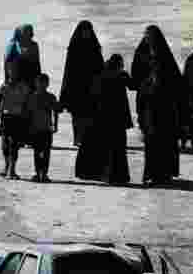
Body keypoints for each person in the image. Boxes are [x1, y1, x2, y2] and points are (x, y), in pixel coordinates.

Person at [131, 25, 183, 185]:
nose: (149, 40)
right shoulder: (142, 54)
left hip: (165, 107)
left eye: (151, 37)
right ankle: (152, 174)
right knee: (151, 141)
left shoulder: (164, 58)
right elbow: (136, 78)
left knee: (165, 141)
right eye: (147, 36)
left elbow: (176, 83)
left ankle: (164, 174)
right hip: (149, 107)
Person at [59, 20, 105, 155]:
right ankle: (77, 138)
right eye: (84, 31)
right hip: (76, 86)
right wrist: (66, 89)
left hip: (91, 86)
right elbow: (68, 70)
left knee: (90, 114)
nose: (86, 33)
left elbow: (100, 67)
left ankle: (87, 138)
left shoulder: (95, 47)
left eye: (88, 30)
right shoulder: (74, 48)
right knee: (77, 115)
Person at [90, 54, 134, 185]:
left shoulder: (102, 75)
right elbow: (133, 85)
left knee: (108, 147)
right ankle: (120, 176)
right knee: (119, 148)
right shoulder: (122, 75)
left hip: (105, 116)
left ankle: (108, 176)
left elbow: (94, 93)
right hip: (119, 117)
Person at [0, 61, 32, 179]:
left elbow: (27, 104)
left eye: (15, 70)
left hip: (18, 118)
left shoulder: (24, 87)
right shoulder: (4, 86)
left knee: (14, 145)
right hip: (6, 118)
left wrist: (27, 120)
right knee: (4, 145)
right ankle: (6, 166)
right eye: (11, 70)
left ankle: (12, 169)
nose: (13, 73)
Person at [26, 73, 59, 183]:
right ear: (36, 83)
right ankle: (37, 173)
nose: (41, 85)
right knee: (36, 152)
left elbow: (55, 112)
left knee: (46, 152)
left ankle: (44, 173)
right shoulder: (32, 97)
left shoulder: (51, 97)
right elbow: (28, 113)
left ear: (47, 84)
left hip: (46, 128)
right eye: (39, 83)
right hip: (35, 128)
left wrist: (55, 125)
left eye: (44, 83)